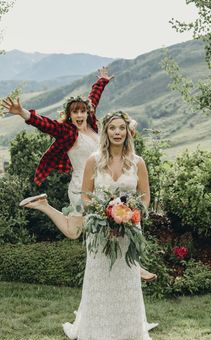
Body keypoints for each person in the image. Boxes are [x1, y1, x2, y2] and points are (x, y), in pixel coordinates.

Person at [1, 69, 157, 282]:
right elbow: (44, 123)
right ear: (69, 115)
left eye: (83, 111)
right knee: (104, 225)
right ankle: (133, 267)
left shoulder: (94, 128)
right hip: (81, 188)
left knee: (79, 231)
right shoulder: (67, 132)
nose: (80, 115)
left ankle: (44, 205)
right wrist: (23, 113)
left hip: (101, 186)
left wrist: (101, 81)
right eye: (75, 112)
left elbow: (93, 99)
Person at [63, 111, 158, 340]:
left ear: (127, 132)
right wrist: (102, 215)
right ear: (105, 132)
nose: (117, 132)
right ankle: (97, 328)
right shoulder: (94, 160)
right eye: (112, 128)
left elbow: (145, 197)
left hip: (129, 230)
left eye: (121, 128)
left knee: (125, 278)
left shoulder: (138, 162)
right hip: (100, 231)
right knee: (101, 277)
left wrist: (133, 215)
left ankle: (127, 328)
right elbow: (85, 196)